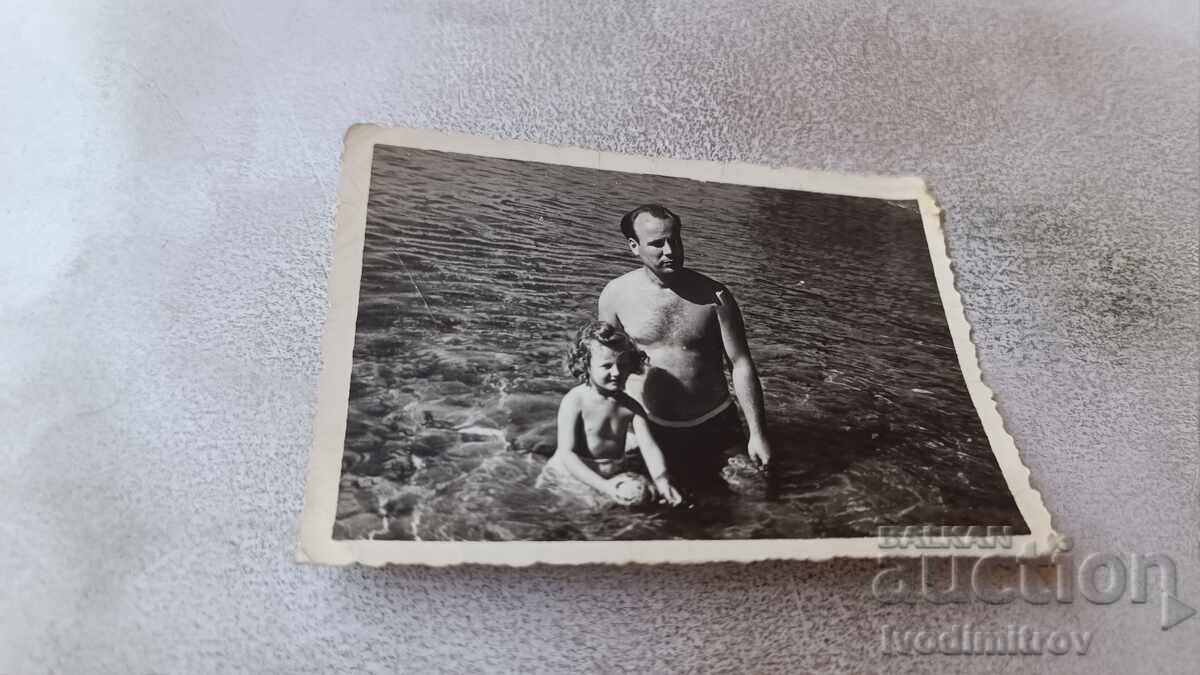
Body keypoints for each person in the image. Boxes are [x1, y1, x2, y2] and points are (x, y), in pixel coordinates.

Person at [598, 204, 771, 494]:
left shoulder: (715, 297)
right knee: (637, 506)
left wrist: (758, 434)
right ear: (633, 246)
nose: (670, 251)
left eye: (675, 240)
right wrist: (615, 428)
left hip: (714, 423)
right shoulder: (614, 296)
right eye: (657, 244)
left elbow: (740, 363)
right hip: (649, 425)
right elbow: (607, 365)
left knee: (755, 494)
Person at [538, 321, 683, 506]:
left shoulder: (631, 407)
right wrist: (604, 486)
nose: (616, 372)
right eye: (607, 366)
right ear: (586, 365)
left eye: (622, 364)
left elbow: (649, 447)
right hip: (574, 472)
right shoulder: (575, 401)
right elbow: (568, 455)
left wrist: (663, 481)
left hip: (611, 470)